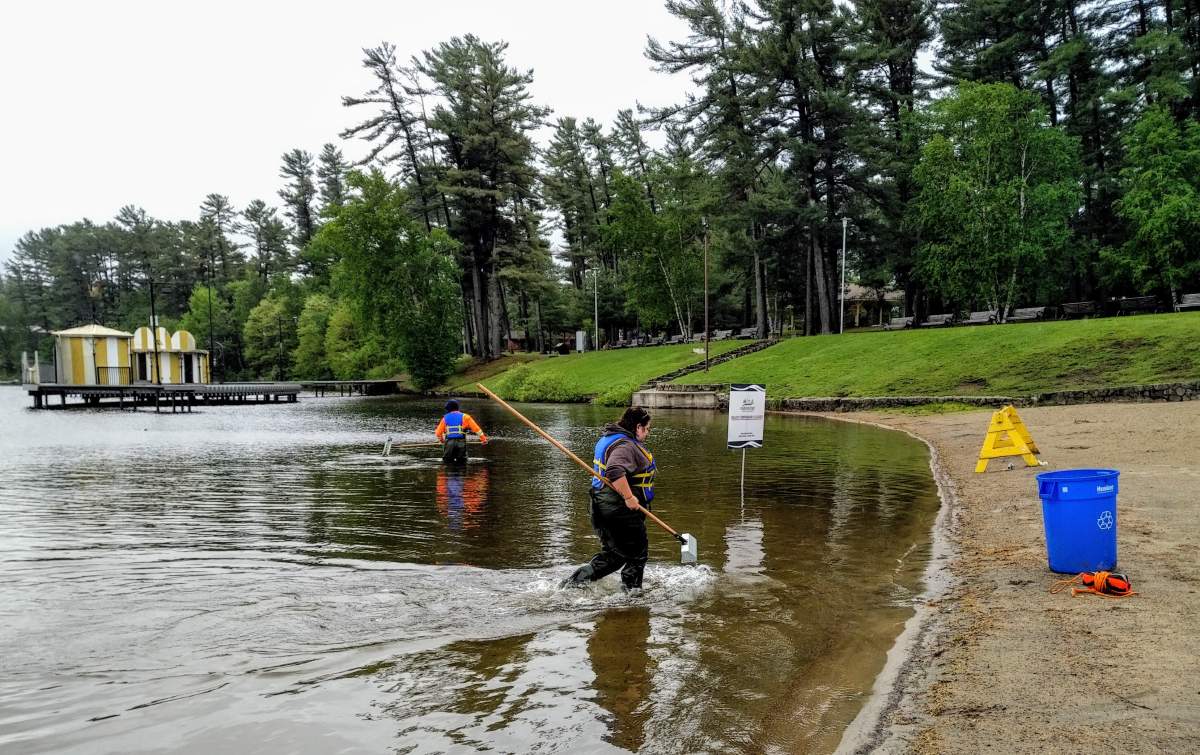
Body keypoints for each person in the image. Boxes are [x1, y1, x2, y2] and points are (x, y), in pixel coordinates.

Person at [561, 406, 657, 592]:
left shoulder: (609, 438)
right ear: (638, 427)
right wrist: (629, 497)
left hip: (600, 506)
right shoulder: (626, 446)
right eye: (647, 428)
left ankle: (571, 585)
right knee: (637, 555)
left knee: (615, 556)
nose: (647, 433)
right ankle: (632, 598)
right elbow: (614, 470)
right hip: (620, 510)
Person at [435, 400, 488, 464]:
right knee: (462, 461)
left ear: (449, 409)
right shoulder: (466, 417)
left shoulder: (445, 418)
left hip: (449, 443)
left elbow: (438, 433)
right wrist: (483, 439)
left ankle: (448, 472)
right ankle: (461, 473)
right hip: (461, 442)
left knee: (447, 461)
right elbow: (477, 430)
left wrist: (442, 440)